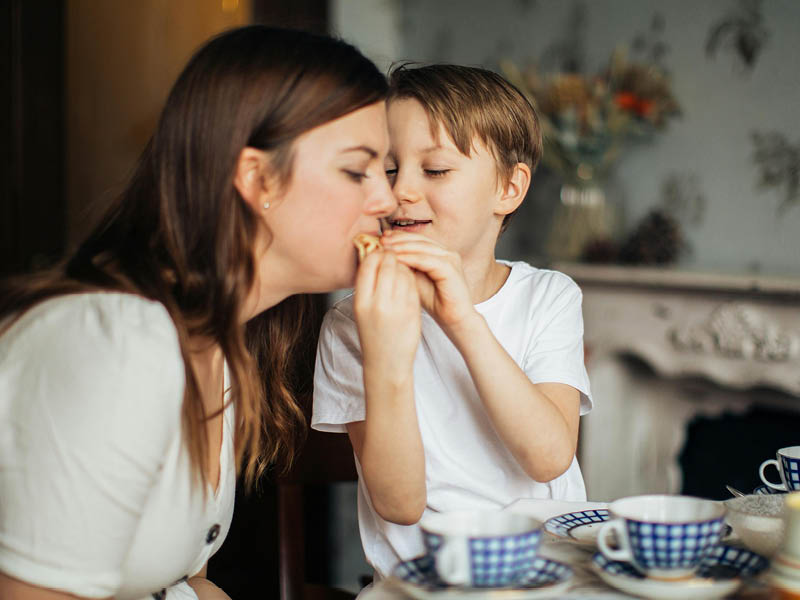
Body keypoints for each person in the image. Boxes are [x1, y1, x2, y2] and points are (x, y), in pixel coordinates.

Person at [0, 26, 401, 600]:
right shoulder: (119, 344)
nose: (386, 200)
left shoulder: (220, 346)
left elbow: (182, 584)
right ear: (256, 178)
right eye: (356, 170)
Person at [312, 64, 594, 581]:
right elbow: (398, 504)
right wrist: (385, 351)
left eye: (435, 170)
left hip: (547, 573)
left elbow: (550, 457)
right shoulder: (353, 322)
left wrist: (461, 319)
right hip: (419, 583)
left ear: (509, 188)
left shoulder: (549, 297)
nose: (401, 192)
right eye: (389, 170)